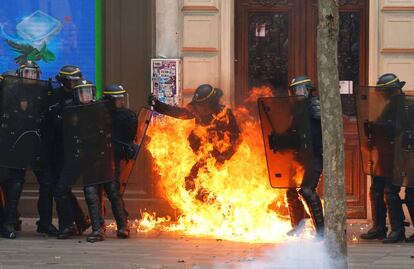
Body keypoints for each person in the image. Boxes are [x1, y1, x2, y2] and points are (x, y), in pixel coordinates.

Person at [148, 84, 241, 201]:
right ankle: (210, 209)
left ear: (210, 103)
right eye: (197, 105)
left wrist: (224, 156)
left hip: (219, 159)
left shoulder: (225, 114)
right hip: (204, 156)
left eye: (201, 105)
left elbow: (237, 138)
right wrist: (157, 105)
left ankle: (220, 209)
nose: (198, 108)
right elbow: (178, 113)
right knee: (190, 183)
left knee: (209, 187)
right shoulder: (197, 111)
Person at [0, 62, 58, 238]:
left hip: (38, 143)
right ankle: (8, 224)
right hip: (18, 143)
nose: (30, 76)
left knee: (46, 183)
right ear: (20, 73)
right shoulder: (12, 91)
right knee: (16, 183)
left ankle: (45, 223)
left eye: (34, 73)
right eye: (27, 72)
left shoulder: (45, 91)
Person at [359, 73, 414, 243]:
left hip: (400, 157)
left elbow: (401, 130)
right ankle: (379, 227)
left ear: (390, 90)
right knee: (376, 189)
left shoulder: (407, 105)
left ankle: (397, 230)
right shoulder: (390, 105)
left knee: (391, 192)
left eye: (383, 91)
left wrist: (383, 127)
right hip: (384, 155)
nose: (381, 95)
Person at [83, 83, 135, 243]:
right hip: (93, 158)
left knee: (113, 191)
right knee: (92, 193)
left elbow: (128, 135)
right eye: (118, 99)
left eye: (122, 98)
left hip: (111, 158)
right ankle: (97, 229)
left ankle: (123, 226)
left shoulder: (126, 116)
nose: (121, 102)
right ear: (110, 100)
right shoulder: (94, 113)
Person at [46, 66, 90, 239]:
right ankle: (79, 220)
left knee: (61, 188)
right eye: (72, 80)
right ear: (64, 80)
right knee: (61, 188)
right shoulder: (55, 96)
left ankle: (67, 225)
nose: (75, 84)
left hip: (75, 150)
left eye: (77, 80)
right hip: (58, 149)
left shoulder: (80, 96)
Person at [285, 76, 324, 237]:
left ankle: (322, 231)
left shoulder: (315, 105)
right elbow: (294, 132)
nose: (298, 93)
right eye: (295, 91)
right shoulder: (297, 110)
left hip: (315, 154)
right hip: (300, 155)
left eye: (301, 90)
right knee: (290, 191)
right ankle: (298, 226)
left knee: (307, 190)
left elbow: (321, 129)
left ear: (309, 90)